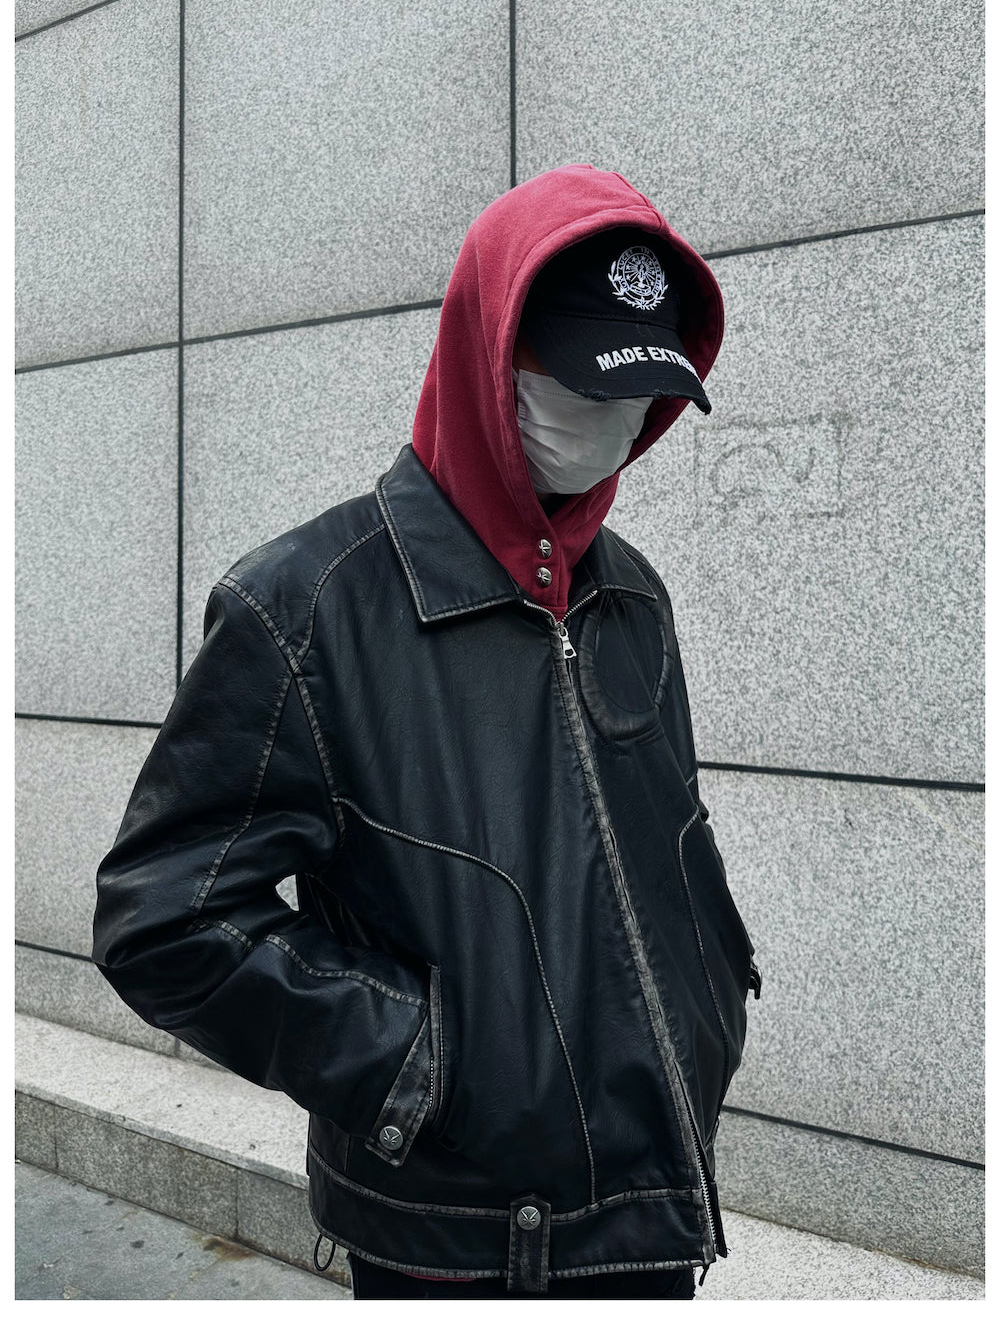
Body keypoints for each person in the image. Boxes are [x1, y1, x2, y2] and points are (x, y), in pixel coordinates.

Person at [92, 163, 761, 1299]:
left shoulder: (632, 595)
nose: (611, 421)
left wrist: (712, 997)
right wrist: (419, 1059)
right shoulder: (307, 606)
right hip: (460, 1239)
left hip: (657, 1207)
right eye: (584, 379)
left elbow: (660, 851)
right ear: (487, 353)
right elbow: (164, 916)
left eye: (639, 392)